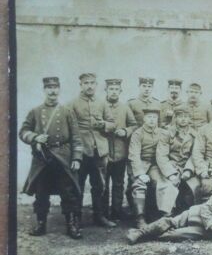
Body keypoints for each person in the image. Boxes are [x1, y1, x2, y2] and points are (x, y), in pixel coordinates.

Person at [19, 77, 84, 239]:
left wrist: (76, 158)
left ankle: (71, 225)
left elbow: (76, 137)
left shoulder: (67, 112)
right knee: (41, 193)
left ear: (59, 90)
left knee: (68, 192)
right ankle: (41, 224)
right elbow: (22, 132)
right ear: (44, 90)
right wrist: (35, 137)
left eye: (55, 87)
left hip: (63, 158)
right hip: (42, 159)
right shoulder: (35, 111)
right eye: (49, 87)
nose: (52, 90)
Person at [126, 172, 212, 244]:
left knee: (173, 235)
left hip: (205, 230)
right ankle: (139, 233)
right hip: (196, 214)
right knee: (171, 222)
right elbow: (206, 208)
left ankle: (148, 235)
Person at [68, 73, 117, 228]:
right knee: (78, 185)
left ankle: (99, 216)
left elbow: (112, 124)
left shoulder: (102, 103)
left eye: (92, 83)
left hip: (99, 152)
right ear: (81, 85)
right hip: (82, 152)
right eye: (86, 83)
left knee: (100, 186)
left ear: (96, 85)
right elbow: (68, 128)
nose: (89, 86)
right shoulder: (72, 104)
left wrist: (103, 125)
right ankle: (76, 218)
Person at [128, 107, 173, 228]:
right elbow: (134, 155)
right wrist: (140, 173)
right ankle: (140, 218)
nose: (152, 120)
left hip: (155, 165)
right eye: (149, 117)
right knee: (139, 184)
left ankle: (165, 216)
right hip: (140, 164)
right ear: (144, 119)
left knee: (164, 183)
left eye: (154, 117)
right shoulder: (137, 134)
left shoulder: (163, 133)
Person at [102, 79, 138, 221]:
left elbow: (134, 125)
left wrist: (125, 130)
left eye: (117, 89)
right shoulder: (100, 106)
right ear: (106, 90)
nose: (114, 92)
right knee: (103, 183)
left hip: (120, 152)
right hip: (103, 152)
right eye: (111, 89)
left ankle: (116, 212)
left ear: (120, 91)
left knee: (118, 183)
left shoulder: (125, 108)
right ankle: (103, 213)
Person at [156, 105, 199, 214]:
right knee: (168, 186)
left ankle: (190, 215)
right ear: (175, 118)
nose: (183, 119)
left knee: (195, 186)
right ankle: (166, 216)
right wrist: (170, 173)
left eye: (186, 116)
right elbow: (161, 155)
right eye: (180, 117)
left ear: (189, 118)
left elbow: (196, 154)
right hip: (171, 166)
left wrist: (189, 170)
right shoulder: (167, 132)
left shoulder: (195, 134)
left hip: (187, 167)